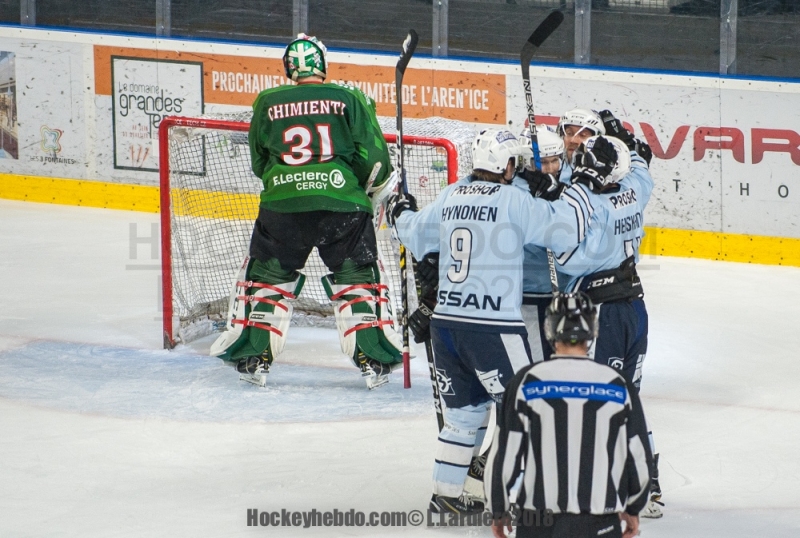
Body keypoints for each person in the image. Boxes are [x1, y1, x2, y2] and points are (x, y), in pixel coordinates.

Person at [386, 128, 597, 516]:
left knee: (465, 417)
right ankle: (520, 500)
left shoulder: (452, 194)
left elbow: (414, 235)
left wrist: (399, 210)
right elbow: (569, 232)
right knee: (532, 407)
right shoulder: (515, 200)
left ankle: (446, 498)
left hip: (446, 325)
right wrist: (556, 193)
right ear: (508, 165)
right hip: (492, 326)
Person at [209, 34, 403, 389]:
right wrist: (358, 188)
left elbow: (259, 161)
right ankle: (373, 360)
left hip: (283, 207)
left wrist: (289, 181)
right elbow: (374, 159)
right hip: (341, 205)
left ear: (289, 69)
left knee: (267, 279)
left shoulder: (267, 101)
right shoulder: (348, 97)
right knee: (357, 281)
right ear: (323, 65)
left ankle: (254, 358)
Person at [554, 107, 663, 517]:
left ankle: (607, 490)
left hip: (600, 312)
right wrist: (626, 138)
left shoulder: (592, 205)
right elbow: (640, 161)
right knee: (628, 397)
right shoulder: (636, 184)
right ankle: (647, 485)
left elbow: (566, 261)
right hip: (635, 305)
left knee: (600, 400)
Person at [485, 292, 653, 538]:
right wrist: (633, 507)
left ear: (549, 329)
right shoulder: (618, 384)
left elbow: (504, 452)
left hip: (537, 520)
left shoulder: (525, 382)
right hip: (600, 519)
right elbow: (639, 454)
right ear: (592, 330)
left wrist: (498, 509)